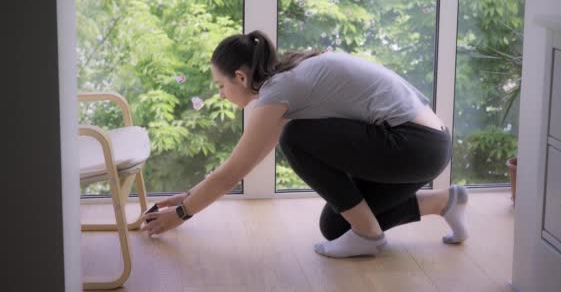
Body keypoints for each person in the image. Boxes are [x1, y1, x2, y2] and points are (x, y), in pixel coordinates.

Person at [142, 30, 468, 258]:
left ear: (240, 77)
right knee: (336, 225)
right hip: (425, 147)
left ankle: (369, 237)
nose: (221, 95)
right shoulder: (289, 79)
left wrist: (182, 214)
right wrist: (187, 197)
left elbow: (235, 171)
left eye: (220, 85)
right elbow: (242, 161)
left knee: (295, 137)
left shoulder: (280, 90)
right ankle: (444, 202)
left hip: (413, 145)